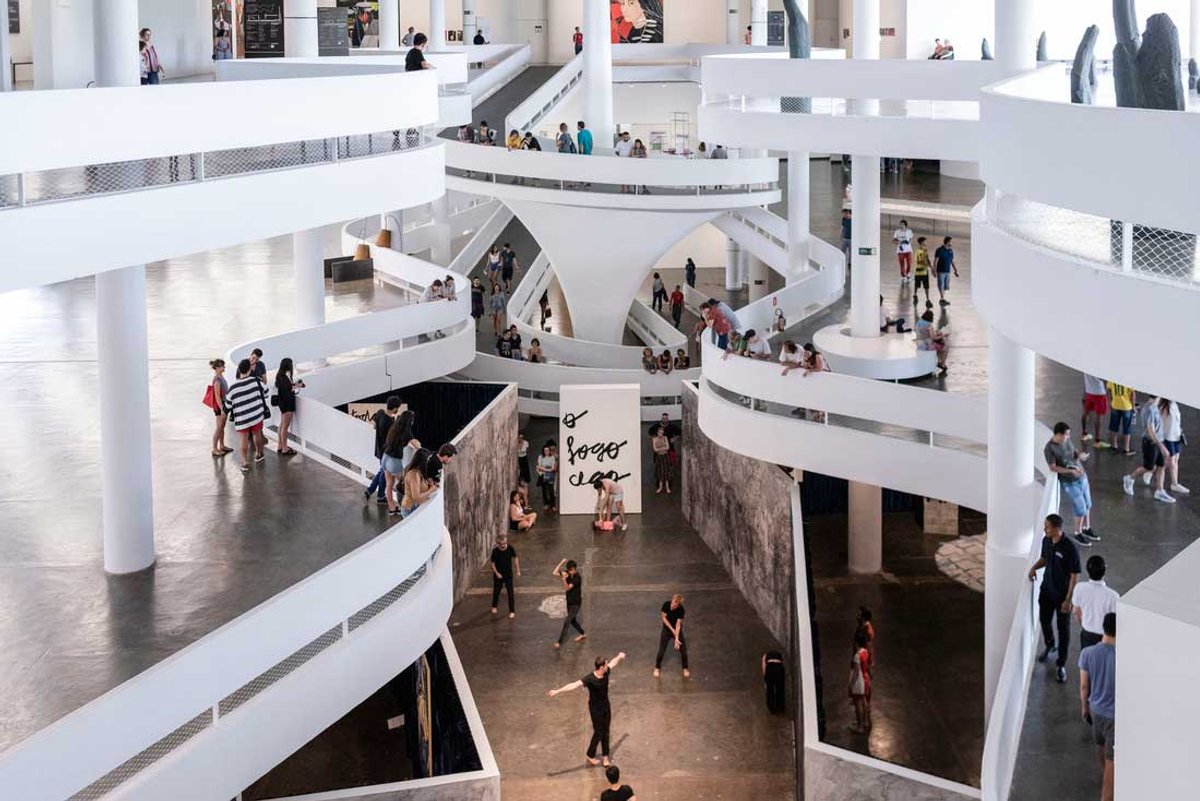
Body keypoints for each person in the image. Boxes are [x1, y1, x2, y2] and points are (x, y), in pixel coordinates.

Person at [547, 652, 627, 767]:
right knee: (598, 732)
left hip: (606, 706)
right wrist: (557, 691)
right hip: (595, 709)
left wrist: (619, 657)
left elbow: (613, 663)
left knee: (606, 731)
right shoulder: (590, 678)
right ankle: (590, 754)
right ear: (601, 667)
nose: (607, 666)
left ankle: (605, 756)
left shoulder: (606, 671)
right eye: (606, 665)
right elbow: (574, 685)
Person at [1029, 513, 1082, 683]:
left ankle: (1061, 664)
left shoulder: (1070, 548)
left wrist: (1068, 600)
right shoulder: (1046, 540)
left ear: (1056, 529)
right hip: (1046, 591)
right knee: (1044, 621)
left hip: (1062, 596)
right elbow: (1045, 558)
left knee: (1063, 630)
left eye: (1047, 527)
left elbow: (1074, 575)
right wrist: (1034, 568)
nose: (1044, 529)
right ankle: (1050, 644)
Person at [1078, 612, 1116, 801]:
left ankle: (1107, 775)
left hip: (1096, 712)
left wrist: (1084, 707)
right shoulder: (1124, 657)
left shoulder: (1087, 653)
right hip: (1113, 718)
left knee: (1100, 747)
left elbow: (1084, 686)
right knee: (1112, 763)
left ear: (1103, 628)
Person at [1045, 422, 1098, 546]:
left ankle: (1086, 528)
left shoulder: (1066, 441)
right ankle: (1077, 533)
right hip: (1069, 482)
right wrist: (1070, 471)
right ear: (1058, 435)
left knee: (1088, 503)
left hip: (1081, 476)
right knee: (1080, 507)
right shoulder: (1049, 449)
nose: (1068, 437)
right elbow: (1053, 467)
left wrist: (1080, 455)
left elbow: (1073, 451)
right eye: (1066, 435)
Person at [1122, 396, 1175, 503]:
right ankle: (1130, 478)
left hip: (1159, 440)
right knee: (1148, 467)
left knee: (1161, 466)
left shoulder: (1154, 406)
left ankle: (1159, 491)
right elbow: (1151, 431)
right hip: (1151, 443)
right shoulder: (1149, 409)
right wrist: (1161, 446)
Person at [226, 358, 269, 473]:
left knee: (243, 438)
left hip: (241, 418)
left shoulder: (233, 387)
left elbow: (228, 405)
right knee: (257, 434)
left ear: (239, 370)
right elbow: (266, 393)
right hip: (256, 415)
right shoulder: (256, 381)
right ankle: (259, 454)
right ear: (250, 369)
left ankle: (245, 463)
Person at [1073, 556, 1120, 650]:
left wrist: (1085, 623)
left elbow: (1076, 612)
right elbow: (1116, 621)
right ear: (1104, 571)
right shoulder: (1113, 596)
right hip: (1105, 637)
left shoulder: (1079, 588)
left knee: (1087, 657)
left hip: (1087, 634)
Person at [382, 410, 420, 516]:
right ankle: (405, 509)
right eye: (412, 420)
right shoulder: (406, 432)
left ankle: (392, 508)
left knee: (389, 485)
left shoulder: (394, 428)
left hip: (385, 458)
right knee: (403, 484)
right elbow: (416, 445)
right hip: (394, 462)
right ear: (409, 421)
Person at [365, 396, 402, 503]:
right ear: (395, 408)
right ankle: (378, 495)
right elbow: (393, 439)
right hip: (386, 452)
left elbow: (375, 426)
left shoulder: (380, 413)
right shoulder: (390, 423)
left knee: (382, 471)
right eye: (398, 407)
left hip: (379, 449)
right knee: (384, 473)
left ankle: (372, 492)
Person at [273, 358, 304, 456]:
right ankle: (285, 448)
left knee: (282, 425)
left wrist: (295, 385)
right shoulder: (284, 377)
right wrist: (297, 386)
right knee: (285, 427)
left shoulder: (280, 376)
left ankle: (280, 446)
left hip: (282, 403)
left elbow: (286, 387)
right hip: (287, 404)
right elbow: (287, 389)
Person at [552, 559, 587, 648]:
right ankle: (583, 634)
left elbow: (567, 588)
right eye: (569, 570)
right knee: (573, 621)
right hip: (569, 602)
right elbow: (554, 572)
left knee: (567, 621)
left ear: (575, 569)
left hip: (576, 604)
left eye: (571, 570)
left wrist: (564, 580)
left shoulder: (577, 578)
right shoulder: (567, 573)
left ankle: (559, 642)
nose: (570, 572)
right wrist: (561, 562)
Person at [652, 594, 689, 677]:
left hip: (677, 630)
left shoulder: (681, 610)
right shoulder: (666, 605)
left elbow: (678, 625)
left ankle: (685, 668)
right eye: (672, 602)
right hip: (667, 630)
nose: (672, 605)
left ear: (678, 605)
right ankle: (657, 668)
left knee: (683, 651)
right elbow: (664, 619)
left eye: (674, 604)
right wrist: (672, 630)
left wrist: (676, 638)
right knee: (661, 650)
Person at [400, 447, 437, 518]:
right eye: (428, 460)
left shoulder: (420, 472)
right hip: (411, 508)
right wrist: (431, 490)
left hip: (416, 506)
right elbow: (416, 497)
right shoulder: (414, 475)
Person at [1162, 397, 1189, 495]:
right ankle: (1174, 484)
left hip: (1176, 435)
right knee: (1172, 461)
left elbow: (1177, 420)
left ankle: (1151, 471)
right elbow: (1162, 422)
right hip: (1168, 437)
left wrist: (1180, 430)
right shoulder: (1164, 406)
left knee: (1174, 460)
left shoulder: (1174, 404)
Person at [490, 534, 520, 618]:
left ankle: (512, 611)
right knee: (496, 591)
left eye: (505, 543)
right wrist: (497, 573)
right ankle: (494, 606)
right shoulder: (495, 551)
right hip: (498, 575)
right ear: (498, 543)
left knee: (510, 592)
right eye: (502, 544)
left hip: (508, 574)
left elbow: (515, 558)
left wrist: (518, 570)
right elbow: (492, 563)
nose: (504, 545)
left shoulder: (510, 548)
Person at [207, 359, 232, 456]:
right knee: (219, 428)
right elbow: (217, 396)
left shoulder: (221, 376)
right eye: (222, 366)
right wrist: (222, 409)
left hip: (223, 404)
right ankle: (214, 448)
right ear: (217, 368)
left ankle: (221, 445)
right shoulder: (217, 380)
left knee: (222, 427)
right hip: (219, 406)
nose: (224, 367)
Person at [848, 630, 872, 732]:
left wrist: (851, 684)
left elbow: (856, 672)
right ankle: (865, 721)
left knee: (858, 703)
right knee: (864, 700)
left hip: (859, 681)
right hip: (866, 678)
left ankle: (860, 726)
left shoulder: (857, 656)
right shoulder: (865, 652)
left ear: (856, 642)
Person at [1105, 381, 1136, 454]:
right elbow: (1133, 394)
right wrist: (1133, 406)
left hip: (1115, 405)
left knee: (1113, 426)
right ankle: (1126, 448)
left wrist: (1110, 401)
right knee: (1127, 427)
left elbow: (1108, 390)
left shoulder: (1112, 378)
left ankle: (1114, 446)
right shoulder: (1129, 379)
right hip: (1126, 406)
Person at [1081, 374, 1108, 443]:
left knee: (1086, 412)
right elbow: (1103, 378)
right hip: (1099, 392)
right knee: (1098, 416)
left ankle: (1084, 434)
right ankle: (1097, 440)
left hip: (1088, 391)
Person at [934, 236, 959, 306]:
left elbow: (952, 261)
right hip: (940, 271)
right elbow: (935, 261)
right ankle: (942, 299)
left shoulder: (950, 251)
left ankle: (942, 299)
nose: (951, 244)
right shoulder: (939, 250)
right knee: (941, 285)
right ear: (948, 242)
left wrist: (955, 269)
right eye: (950, 242)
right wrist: (934, 270)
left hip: (947, 271)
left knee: (945, 286)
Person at [536, 444, 557, 511]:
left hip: (550, 476)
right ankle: (546, 504)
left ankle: (553, 505)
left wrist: (544, 468)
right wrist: (547, 469)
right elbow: (539, 466)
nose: (546, 452)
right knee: (544, 491)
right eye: (545, 450)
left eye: (547, 450)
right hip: (543, 476)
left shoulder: (552, 457)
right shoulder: (541, 457)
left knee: (551, 491)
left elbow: (553, 468)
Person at [912, 236, 932, 305]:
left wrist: (931, 267)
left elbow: (927, 259)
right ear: (922, 242)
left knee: (926, 286)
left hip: (925, 271)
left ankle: (928, 299)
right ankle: (915, 295)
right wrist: (924, 263)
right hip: (919, 271)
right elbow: (917, 261)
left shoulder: (925, 250)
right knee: (917, 284)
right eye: (925, 241)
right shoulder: (917, 251)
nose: (926, 243)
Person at [652, 426, 672, 494]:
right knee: (660, 472)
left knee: (666, 471)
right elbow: (655, 449)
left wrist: (660, 449)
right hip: (659, 457)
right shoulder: (654, 439)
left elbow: (668, 447)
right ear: (657, 432)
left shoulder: (665, 437)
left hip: (665, 456)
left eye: (662, 433)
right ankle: (660, 487)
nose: (661, 434)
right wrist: (663, 448)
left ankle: (667, 488)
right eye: (660, 433)